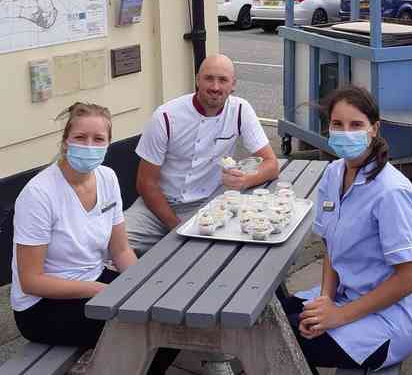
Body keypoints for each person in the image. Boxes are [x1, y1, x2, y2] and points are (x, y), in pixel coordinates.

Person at [11, 102, 177, 374]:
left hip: (93, 281)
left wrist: (140, 285)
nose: (89, 145)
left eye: (98, 139)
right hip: (42, 307)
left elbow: (121, 250)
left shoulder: (107, 178)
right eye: (80, 137)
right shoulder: (39, 194)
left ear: (109, 143)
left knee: (168, 317)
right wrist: (101, 292)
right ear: (65, 142)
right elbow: (31, 281)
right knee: (142, 331)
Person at [277, 85, 412, 374]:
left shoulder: (391, 191)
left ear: (374, 129)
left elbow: (409, 279)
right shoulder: (334, 174)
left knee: (281, 336)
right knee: (276, 314)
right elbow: (331, 249)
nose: (346, 132)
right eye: (337, 124)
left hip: (389, 319)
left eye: (356, 124)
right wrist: (325, 301)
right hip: (347, 296)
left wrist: (338, 316)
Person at [125, 53, 279, 256]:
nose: (215, 87)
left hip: (209, 205)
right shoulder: (166, 116)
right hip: (156, 206)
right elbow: (146, 183)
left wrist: (246, 180)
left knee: (228, 253)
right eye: (209, 78)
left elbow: (271, 164)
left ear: (233, 85)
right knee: (111, 244)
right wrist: (176, 227)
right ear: (197, 80)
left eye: (223, 80)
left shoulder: (240, 110)